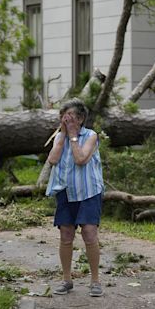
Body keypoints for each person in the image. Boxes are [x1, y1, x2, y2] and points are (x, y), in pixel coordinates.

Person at [46, 98, 105, 297]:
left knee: (89, 233)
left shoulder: (91, 136)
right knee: (66, 235)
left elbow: (81, 159)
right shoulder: (58, 137)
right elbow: (52, 160)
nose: (66, 119)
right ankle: (66, 279)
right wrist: (63, 135)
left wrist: (73, 136)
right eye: (64, 116)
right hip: (65, 191)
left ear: (80, 118)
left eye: (70, 116)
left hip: (88, 192)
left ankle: (95, 281)